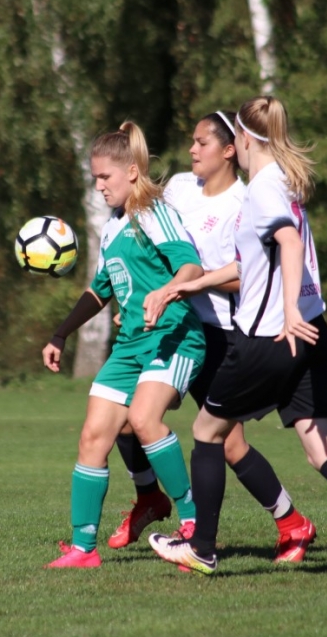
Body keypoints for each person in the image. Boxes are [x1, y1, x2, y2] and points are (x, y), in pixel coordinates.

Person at [147, 96, 327, 586]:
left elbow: (288, 242)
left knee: (207, 432)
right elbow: (253, 260)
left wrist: (287, 310)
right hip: (312, 334)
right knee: (322, 452)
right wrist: (195, 283)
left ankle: (201, 550)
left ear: (244, 140)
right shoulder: (287, 184)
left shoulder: (264, 187)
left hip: (271, 337)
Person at [108, 111, 316, 563]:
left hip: (216, 332)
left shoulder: (243, 202)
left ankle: (290, 522)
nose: (192, 149)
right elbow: (146, 227)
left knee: (228, 442)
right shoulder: (180, 187)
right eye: (192, 141)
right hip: (168, 326)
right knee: (124, 420)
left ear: (229, 150)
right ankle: (149, 498)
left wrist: (193, 281)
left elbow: (250, 276)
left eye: (202, 142)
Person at [42, 120, 206, 569]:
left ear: (132, 172)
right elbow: (100, 290)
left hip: (174, 336)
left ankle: (194, 524)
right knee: (93, 435)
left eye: (105, 177)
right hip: (130, 346)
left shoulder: (153, 212)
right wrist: (60, 333)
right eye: (94, 177)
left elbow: (191, 267)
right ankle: (83, 549)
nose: (98, 186)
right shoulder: (113, 228)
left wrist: (166, 291)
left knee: (143, 419)